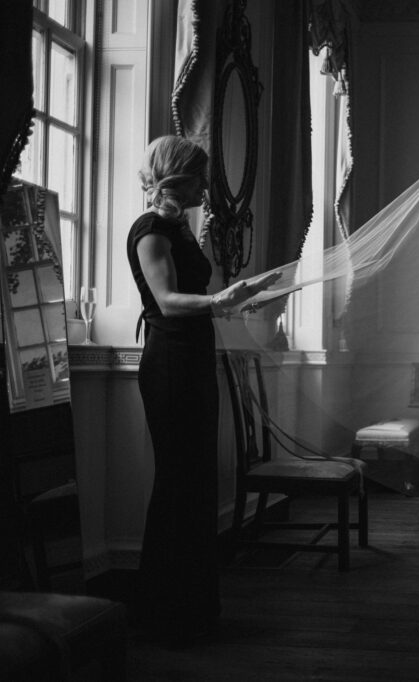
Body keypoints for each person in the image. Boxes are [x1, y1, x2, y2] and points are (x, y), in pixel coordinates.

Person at [127, 134, 278, 644]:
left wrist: (240, 299)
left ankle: (191, 609)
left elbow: (198, 298)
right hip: (169, 362)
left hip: (192, 359)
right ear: (177, 177)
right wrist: (220, 301)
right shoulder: (149, 231)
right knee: (177, 482)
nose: (205, 186)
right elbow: (168, 301)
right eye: (199, 176)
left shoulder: (180, 230)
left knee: (196, 482)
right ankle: (160, 613)